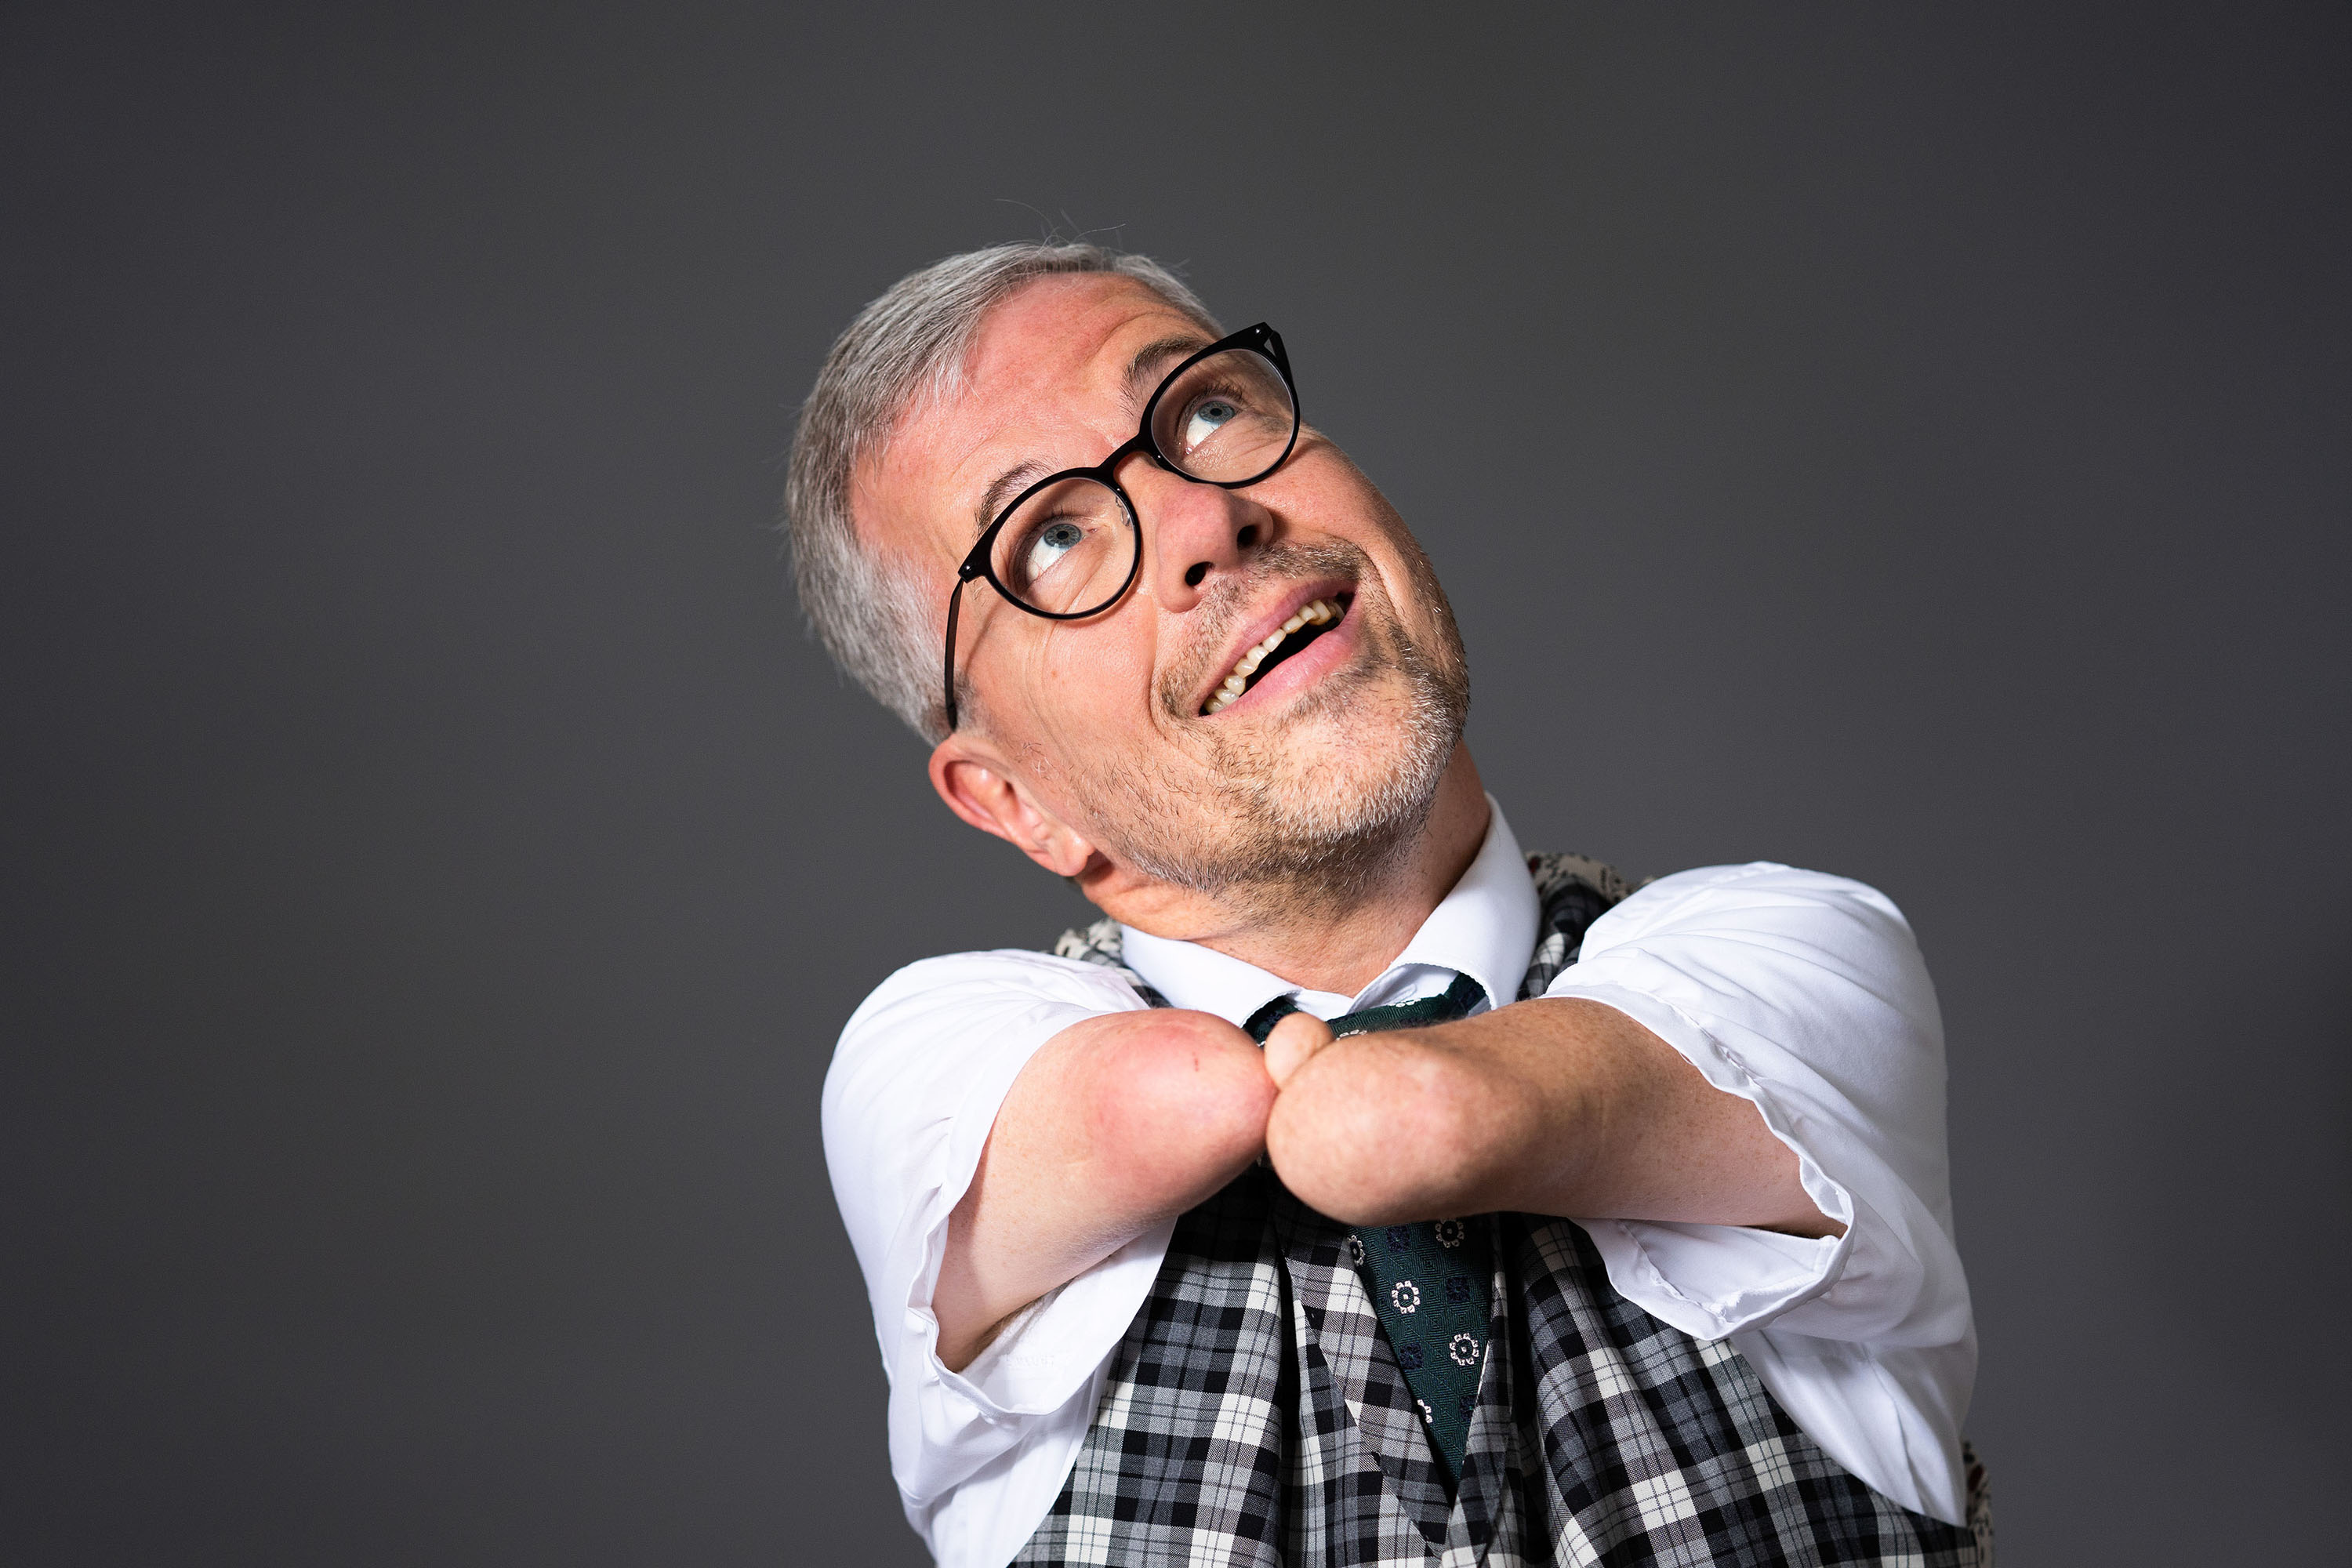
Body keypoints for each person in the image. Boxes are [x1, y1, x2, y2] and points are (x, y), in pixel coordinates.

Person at [791, 242, 1991, 1567]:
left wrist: (1330, 1075)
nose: (1206, 522)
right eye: (1054, 537)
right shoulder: (943, 1066)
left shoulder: (1786, 960)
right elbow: (1189, 1092)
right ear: (1019, 803)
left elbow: (1396, 1124)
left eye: (1205, 409)